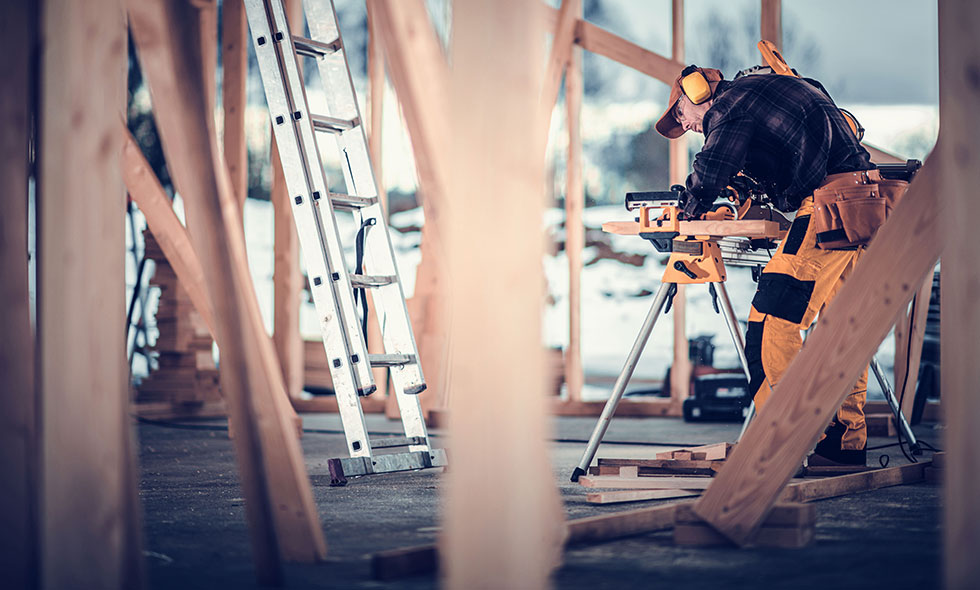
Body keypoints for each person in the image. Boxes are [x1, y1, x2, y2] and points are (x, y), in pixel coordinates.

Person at [655, 64, 876, 466]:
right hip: (863, 202)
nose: (684, 125)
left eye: (680, 113)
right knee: (841, 323)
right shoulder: (764, 94)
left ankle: (791, 437)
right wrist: (737, 192)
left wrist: (684, 211)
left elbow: (712, 166)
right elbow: (760, 163)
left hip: (831, 207)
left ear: (699, 92)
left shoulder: (731, 104)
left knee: (770, 322)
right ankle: (844, 441)